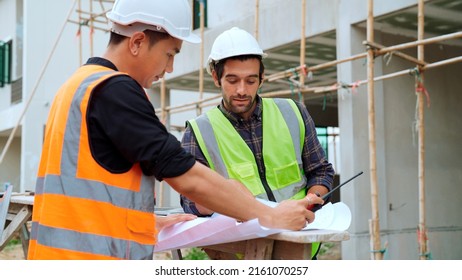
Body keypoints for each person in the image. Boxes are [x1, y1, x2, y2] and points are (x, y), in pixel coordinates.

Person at [27, 0, 322, 260]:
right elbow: (185, 176)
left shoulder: (77, 86)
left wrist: (145, 222)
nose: (169, 69)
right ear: (137, 42)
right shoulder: (115, 90)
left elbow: (86, 193)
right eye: (170, 54)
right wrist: (270, 215)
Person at [180, 27, 335, 259]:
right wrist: (220, 197)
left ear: (262, 78)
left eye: (251, 80)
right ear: (216, 77)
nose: (242, 90)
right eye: (232, 80)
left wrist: (310, 200)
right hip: (241, 253)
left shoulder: (293, 113)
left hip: (300, 244)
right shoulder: (199, 132)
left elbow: (321, 171)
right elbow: (190, 200)